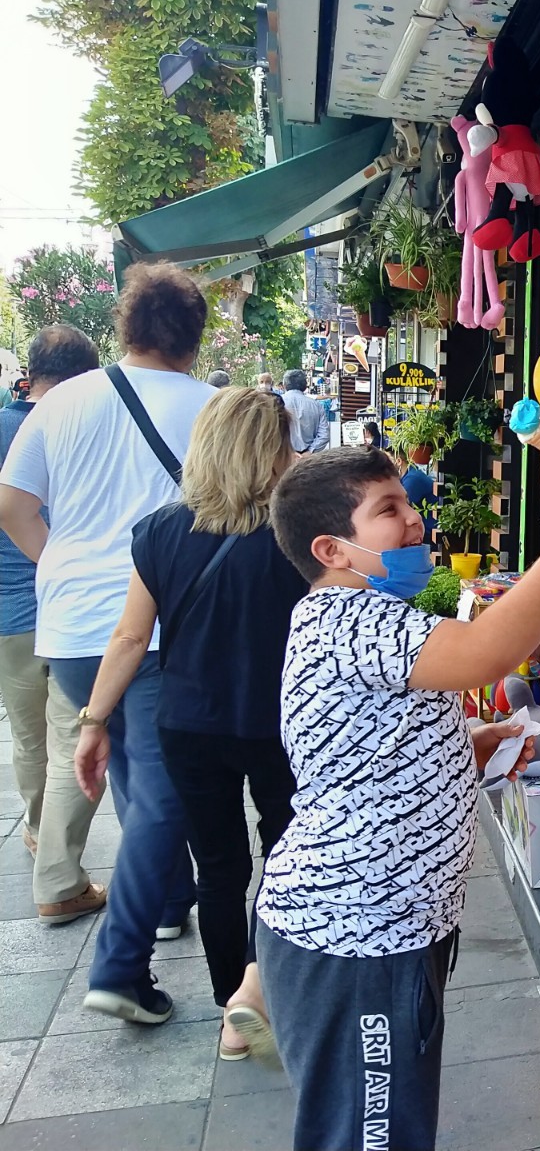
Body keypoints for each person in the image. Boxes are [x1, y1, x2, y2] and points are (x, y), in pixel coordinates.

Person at [257, 451, 540, 1150]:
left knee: (384, 1126)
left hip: (384, 930)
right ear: (332, 549)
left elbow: (387, 748)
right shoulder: (348, 618)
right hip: (358, 934)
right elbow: (487, 650)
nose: (415, 517)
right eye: (387, 509)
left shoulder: (367, 619)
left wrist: (493, 740)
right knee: (369, 1136)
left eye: (407, 500)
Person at [0, 262, 212, 1025]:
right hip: (157, 629)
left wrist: (59, 564)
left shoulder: (58, 404)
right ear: (193, 336)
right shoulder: (212, 407)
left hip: (68, 628)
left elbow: (15, 505)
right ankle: (122, 965)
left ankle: (165, 901)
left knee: (128, 766)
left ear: (124, 327)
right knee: (158, 789)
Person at [73, 388, 307, 1060]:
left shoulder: (159, 532)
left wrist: (94, 722)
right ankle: (261, 992)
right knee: (288, 857)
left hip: (188, 722)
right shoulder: (297, 536)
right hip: (277, 723)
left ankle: (229, 1006)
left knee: (219, 868)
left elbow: (127, 639)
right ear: (269, 452)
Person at [0, 326, 104, 925]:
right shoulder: (76, 424)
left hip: (9, 614)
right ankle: (60, 878)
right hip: (68, 613)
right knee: (74, 737)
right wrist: (54, 564)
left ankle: (40, 836)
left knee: (28, 737)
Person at [393, 445, 437, 539]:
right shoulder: (410, 474)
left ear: (399, 461)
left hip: (429, 534)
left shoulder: (413, 479)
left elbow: (398, 510)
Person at [280, 369, 329, 454]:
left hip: (282, 457)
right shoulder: (316, 405)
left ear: (284, 385)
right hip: (307, 460)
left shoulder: (277, 403)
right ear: (305, 386)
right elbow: (324, 435)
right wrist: (309, 452)